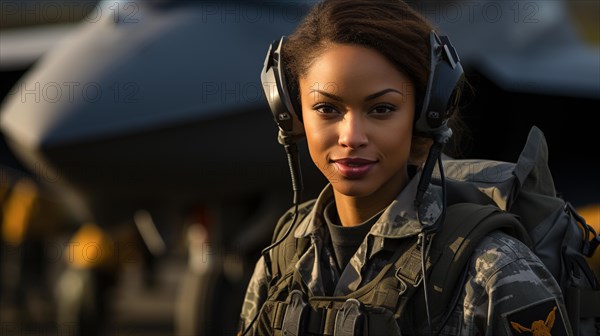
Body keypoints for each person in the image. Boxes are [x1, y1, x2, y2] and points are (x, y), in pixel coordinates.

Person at [238, 0, 573, 335]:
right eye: (327, 108)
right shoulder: (281, 259)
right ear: (291, 114)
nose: (351, 137)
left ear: (426, 114)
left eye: (382, 109)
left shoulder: (492, 270)